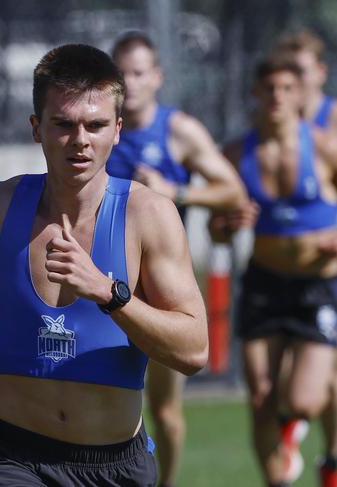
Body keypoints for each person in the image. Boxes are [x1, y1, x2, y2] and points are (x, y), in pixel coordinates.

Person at [0, 43, 208, 487]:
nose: (80, 140)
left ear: (118, 129)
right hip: (9, 454)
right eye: (63, 124)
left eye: (95, 125)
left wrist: (110, 294)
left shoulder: (148, 216)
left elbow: (193, 350)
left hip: (113, 465)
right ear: (37, 128)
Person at [106, 31, 246, 487]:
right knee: (104, 401)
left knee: (164, 408)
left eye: (139, 72)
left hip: (163, 289)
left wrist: (178, 191)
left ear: (158, 77)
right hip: (102, 287)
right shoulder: (98, 127)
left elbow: (232, 190)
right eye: (122, 72)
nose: (130, 81)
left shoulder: (178, 130)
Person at [209, 56, 337, 487]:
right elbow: (217, 232)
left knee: (302, 400)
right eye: (269, 90)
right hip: (263, 282)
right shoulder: (235, 153)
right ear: (256, 94)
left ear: (300, 94)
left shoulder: (323, 147)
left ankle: (317, 448)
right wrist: (227, 224)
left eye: (286, 89)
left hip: (320, 286)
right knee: (261, 397)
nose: (277, 98)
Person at [275, 30, 337, 487]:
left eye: (299, 71)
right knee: (277, 378)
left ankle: (326, 457)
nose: (290, 82)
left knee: (326, 382)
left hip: (329, 274)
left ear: (319, 73)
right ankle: (291, 428)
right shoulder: (268, 126)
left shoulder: (331, 123)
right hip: (277, 274)